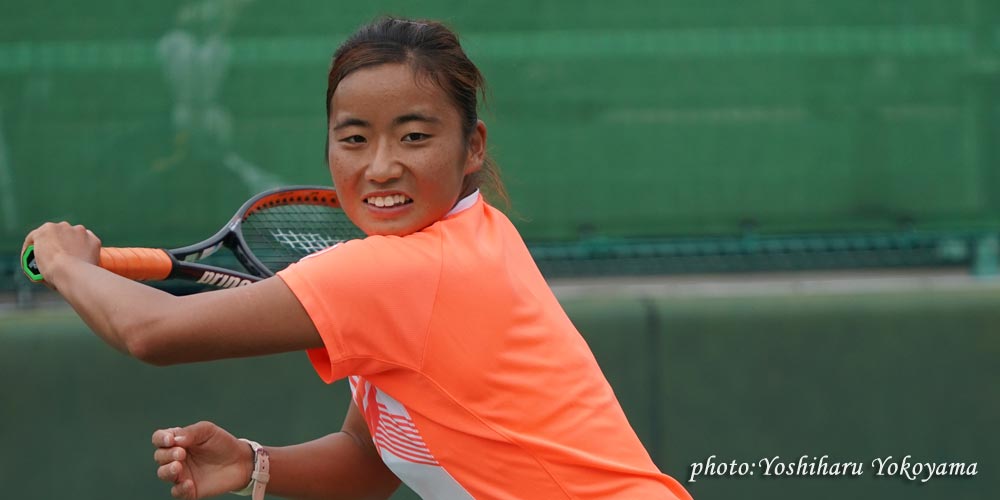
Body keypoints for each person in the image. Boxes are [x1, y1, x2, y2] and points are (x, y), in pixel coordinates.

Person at [23, 17, 693, 500]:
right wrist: (254, 464)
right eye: (354, 138)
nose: (381, 166)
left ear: (473, 146)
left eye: (414, 135)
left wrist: (65, 262)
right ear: (328, 149)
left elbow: (153, 333)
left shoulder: (400, 271)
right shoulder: (465, 238)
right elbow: (368, 461)